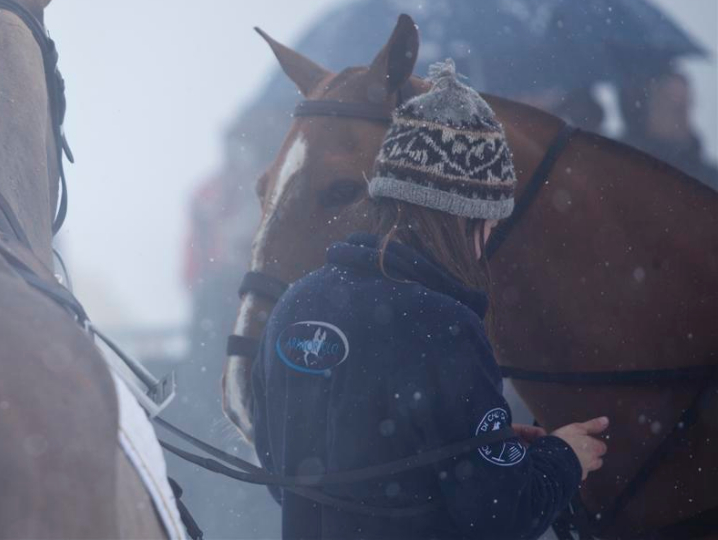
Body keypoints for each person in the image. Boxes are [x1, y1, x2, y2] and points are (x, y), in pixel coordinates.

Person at [251, 61, 609, 540]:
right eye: (489, 222)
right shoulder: (443, 325)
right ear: (465, 218)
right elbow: (502, 515)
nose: (488, 237)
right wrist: (564, 458)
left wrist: (481, 446)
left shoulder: (297, 305)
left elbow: (285, 470)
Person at [618, 68, 718, 190]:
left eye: (685, 104)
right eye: (671, 104)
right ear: (648, 108)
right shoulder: (622, 170)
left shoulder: (710, 180)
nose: (681, 114)